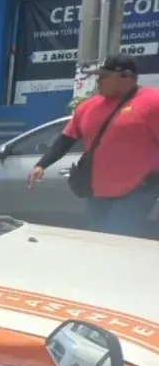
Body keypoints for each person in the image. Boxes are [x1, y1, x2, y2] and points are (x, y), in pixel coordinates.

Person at [30, 54, 159, 238]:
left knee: (116, 238)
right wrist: (42, 164)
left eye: (104, 76)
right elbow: (67, 138)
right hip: (98, 191)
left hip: (137, 190)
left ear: (127, 76)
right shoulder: (89, 107)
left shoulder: (153, 102)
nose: (98, 80)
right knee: (98, 239)